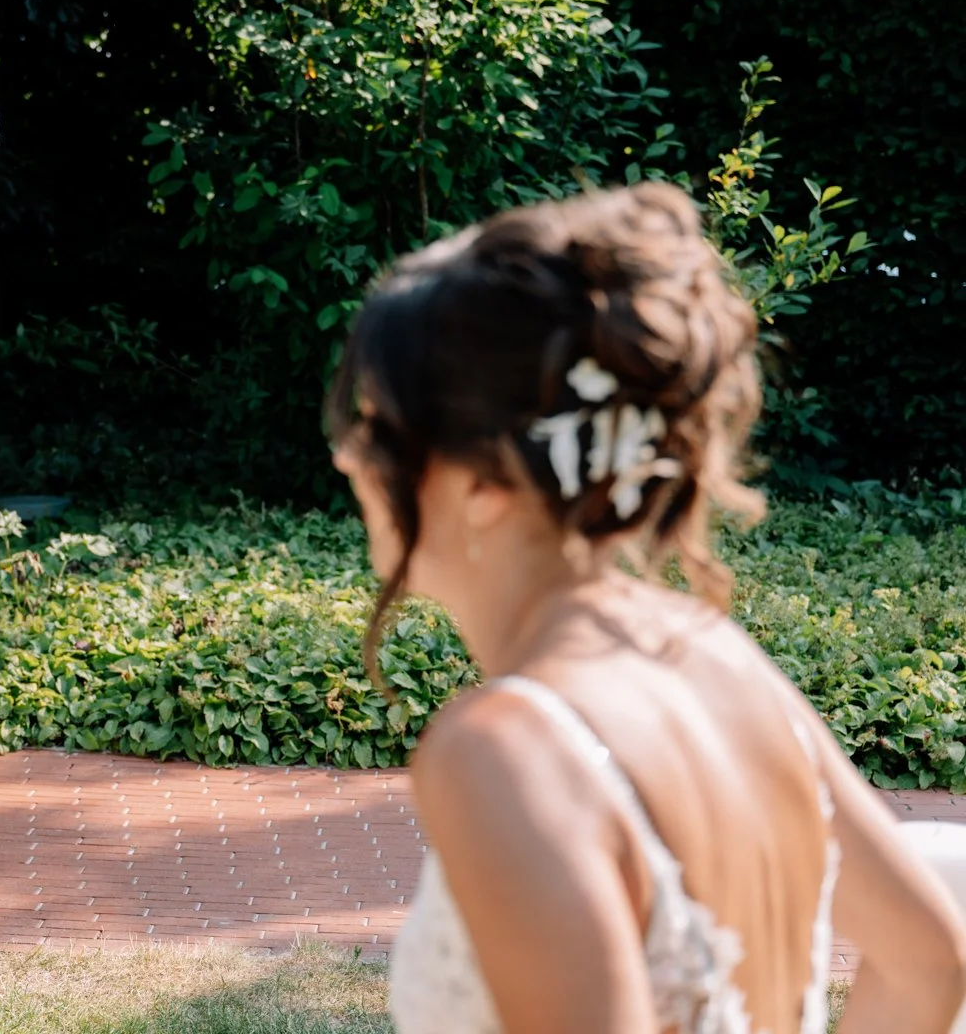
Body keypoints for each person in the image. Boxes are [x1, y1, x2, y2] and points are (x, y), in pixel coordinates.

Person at [325, 183, 966, 1032]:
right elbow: (929, 964)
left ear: (483, 482)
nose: (347, 458)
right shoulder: (711, 653)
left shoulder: (506, 750)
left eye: (374, 428)